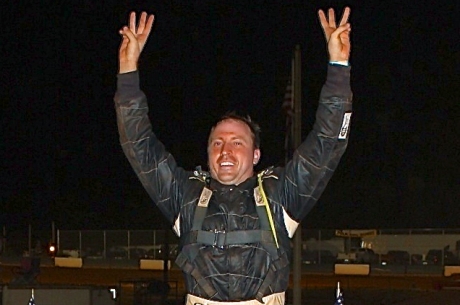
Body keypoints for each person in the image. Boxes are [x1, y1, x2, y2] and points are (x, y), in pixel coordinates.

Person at [115, 6, 352, 305]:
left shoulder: (280, 196)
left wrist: (339, 68)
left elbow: (328, 143)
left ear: (255, 155)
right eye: (217, 143)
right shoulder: (185, 197)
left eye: (237, 143)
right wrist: (127, 73)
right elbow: (138, 144)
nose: (225, 150)